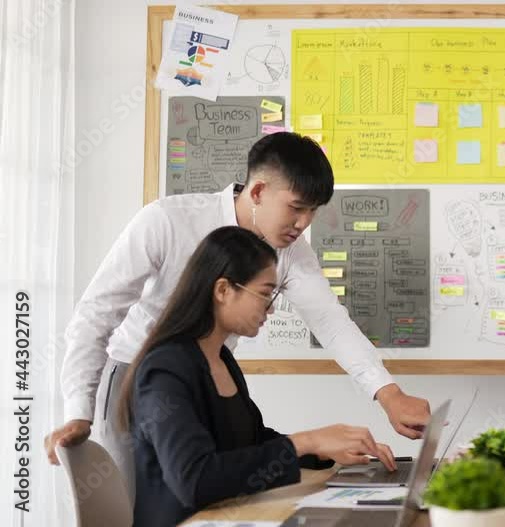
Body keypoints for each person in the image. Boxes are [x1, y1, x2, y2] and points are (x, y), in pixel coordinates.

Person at [45, 132, 430, 497]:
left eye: (313, 212)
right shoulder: (166, 220)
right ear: (259, 191)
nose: (304, 223)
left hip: (207, 379)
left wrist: (389, 394)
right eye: (296, 207)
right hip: (135, 375)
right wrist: (80, 409)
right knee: (138, 503)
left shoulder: (291, 250)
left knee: (209, 493)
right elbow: (97, 312)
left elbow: (330, 322)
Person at [120, 226, 397, 526]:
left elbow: (250, 442)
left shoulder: (221, 358)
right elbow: (195, 480)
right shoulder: (165, 370)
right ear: (223, 290)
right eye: (265, 293)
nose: (272, 308)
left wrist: (323, 450)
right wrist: (307, 441)